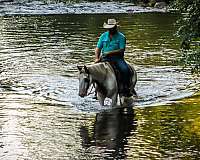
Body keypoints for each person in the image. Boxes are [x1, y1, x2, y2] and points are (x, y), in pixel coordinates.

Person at [95, 18, 131, 96]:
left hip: (117, 58)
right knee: (93, 71)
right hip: (105, 58)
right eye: (109, 28)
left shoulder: (121, 37)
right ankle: (96, 91)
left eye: (112, 28)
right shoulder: (103, 36)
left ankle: (126, 88)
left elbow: (122, 50)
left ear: (115, 27)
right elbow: (98, 48)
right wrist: (97, 58)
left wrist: (109, 53)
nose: (110, 30)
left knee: (125, 69)